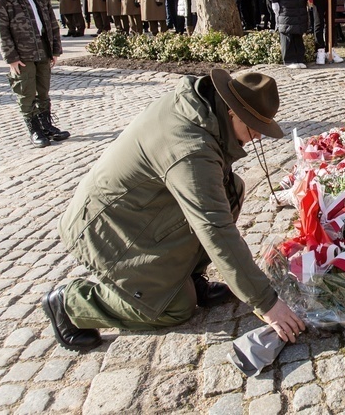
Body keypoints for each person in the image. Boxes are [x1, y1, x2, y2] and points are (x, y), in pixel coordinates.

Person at [44, 69, 305, 350]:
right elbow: (214, 227)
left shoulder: (200, 108)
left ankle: (189, 275)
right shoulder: (191, 148)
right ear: (232, 113)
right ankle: (70, 304)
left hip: (139, 211)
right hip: (107, 229)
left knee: (232, 189)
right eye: (254, 126)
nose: (258, 137)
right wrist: (266, 302)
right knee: (176, 308)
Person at [0, 0, 69, 147]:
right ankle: (34, 129)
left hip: (42, 49)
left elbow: (51, 22)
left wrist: (55, 50)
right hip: (21, 53)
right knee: (26, 91)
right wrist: (11, 58)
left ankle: (46, 125)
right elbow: (1, 30)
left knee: (43, 90)